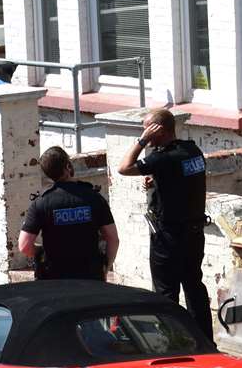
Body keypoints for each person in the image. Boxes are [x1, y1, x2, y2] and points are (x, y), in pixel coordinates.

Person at [116, 107, 213, 344]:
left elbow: (123, 167)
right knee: (194, 286)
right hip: (194, 233)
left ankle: (173, 343)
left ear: (157, 130)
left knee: (166, 293)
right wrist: (157, 181)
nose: (145, 133)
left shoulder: (163, 157)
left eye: (147, 129)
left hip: (169, 236)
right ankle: (204, 341)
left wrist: (141, 141)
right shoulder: (192, 151)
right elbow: (181, 179)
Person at [18, 145, 118, 280]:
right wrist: (105, 268)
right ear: (68, 166)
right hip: (90, 277)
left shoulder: (40, 203)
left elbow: (24, 246)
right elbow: (113, 239)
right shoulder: (94, 198)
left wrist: (41, 251)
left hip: (54, 278)